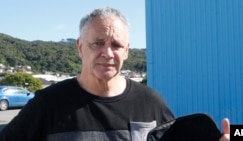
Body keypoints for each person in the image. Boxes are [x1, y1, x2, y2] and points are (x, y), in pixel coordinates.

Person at [0, 7, 230, 141]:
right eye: (97, 43)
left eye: (116, 45)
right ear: (80, 47)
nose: (107, 53)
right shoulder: (47, 104)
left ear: (127, 51)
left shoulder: (151, 103)